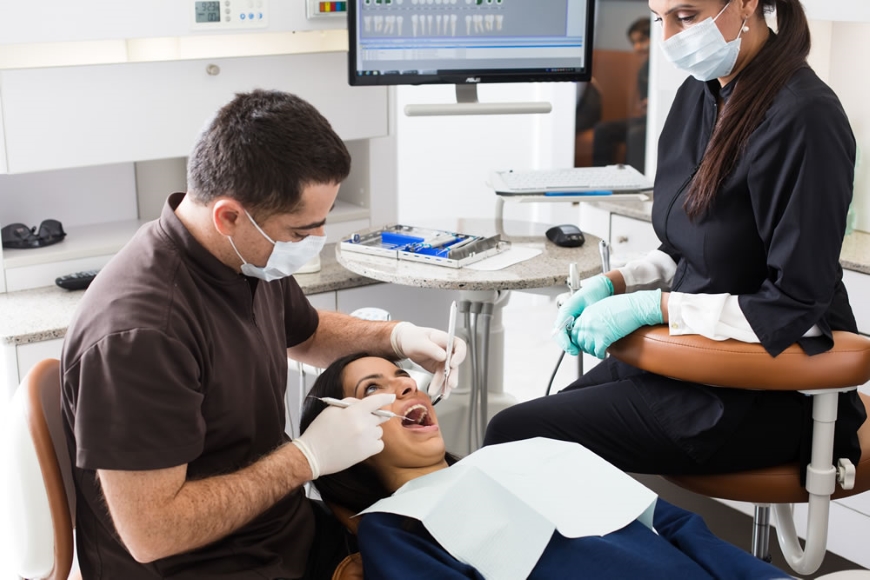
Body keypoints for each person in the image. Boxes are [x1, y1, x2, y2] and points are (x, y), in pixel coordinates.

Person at [60, 89, 467, 580]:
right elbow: (153, 534)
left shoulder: (242, 257)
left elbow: (308, 333)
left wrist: (397, 337)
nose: (315, 242)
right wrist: (306, 458)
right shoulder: (141, 336)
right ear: (229, 215)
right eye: (301, 231)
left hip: (280, 535)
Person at [485, 0, 866, 481]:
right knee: (536, 433)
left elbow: (795, 303)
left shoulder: (805, 116)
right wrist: (619, 282)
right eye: (658, 17)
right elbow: (697, 244)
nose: (668, 38)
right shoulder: (700, 94)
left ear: (747, 3)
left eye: (685, 16)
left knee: (518, 435)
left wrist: (656, 308)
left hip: (770, 389)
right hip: (696, 360)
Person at [300, 353, 791, 579]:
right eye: (373, 389)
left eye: (403, 375)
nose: (407, 386)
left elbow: (680, 526)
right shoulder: (395, 525)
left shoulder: (533, 451)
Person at [591, 17, 650, 172]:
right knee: (603, 129)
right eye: (634, 43)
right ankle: (601, 174)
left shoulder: (665, 64)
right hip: (644, 118)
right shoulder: (644, 67)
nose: (637, 47)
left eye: (642, 40)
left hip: (657, 119)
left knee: (635, 134)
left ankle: (631, 177)